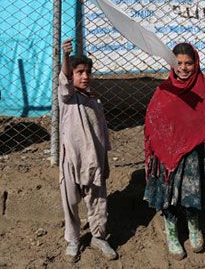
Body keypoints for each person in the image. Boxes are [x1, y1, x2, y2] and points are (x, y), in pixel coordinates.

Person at [144, 42, 205, 260]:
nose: (183, 68)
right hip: (166, 152)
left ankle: (194, 227)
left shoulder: (202, 88)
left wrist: (187, 137)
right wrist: (168, 141)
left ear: (196, 64)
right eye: (179, 63)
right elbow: (152, 118)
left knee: (190, 190)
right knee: (169, 192)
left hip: (192, 150)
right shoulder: (164, 88)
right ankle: (172, 232)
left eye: (188, 63)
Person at [58, 37, 117, 262]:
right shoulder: (68, 98)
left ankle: (99, 236)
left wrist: (105, 159)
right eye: (79, 72)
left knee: (97, 199)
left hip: (94, 160)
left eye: (87, 72)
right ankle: (73, 239)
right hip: (72, 160)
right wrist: (65, 57)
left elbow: (102, 134)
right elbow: (63, 80)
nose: (84, 76)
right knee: (71, 200)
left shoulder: (94, 101)